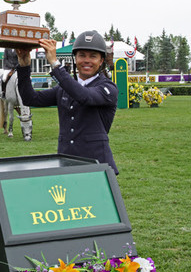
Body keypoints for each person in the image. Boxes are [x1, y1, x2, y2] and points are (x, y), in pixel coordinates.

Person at [16, 31, 119, 175]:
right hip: (66, 162)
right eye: (82, 55)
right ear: (75, 58)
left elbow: (84, 96)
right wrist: (24, 66)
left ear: (101, 61)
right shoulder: (65, 88)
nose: (87, 60)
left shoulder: (108, 88)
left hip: (96, 166)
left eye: (93, 56)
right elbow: (30, 99)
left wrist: (55, 64)